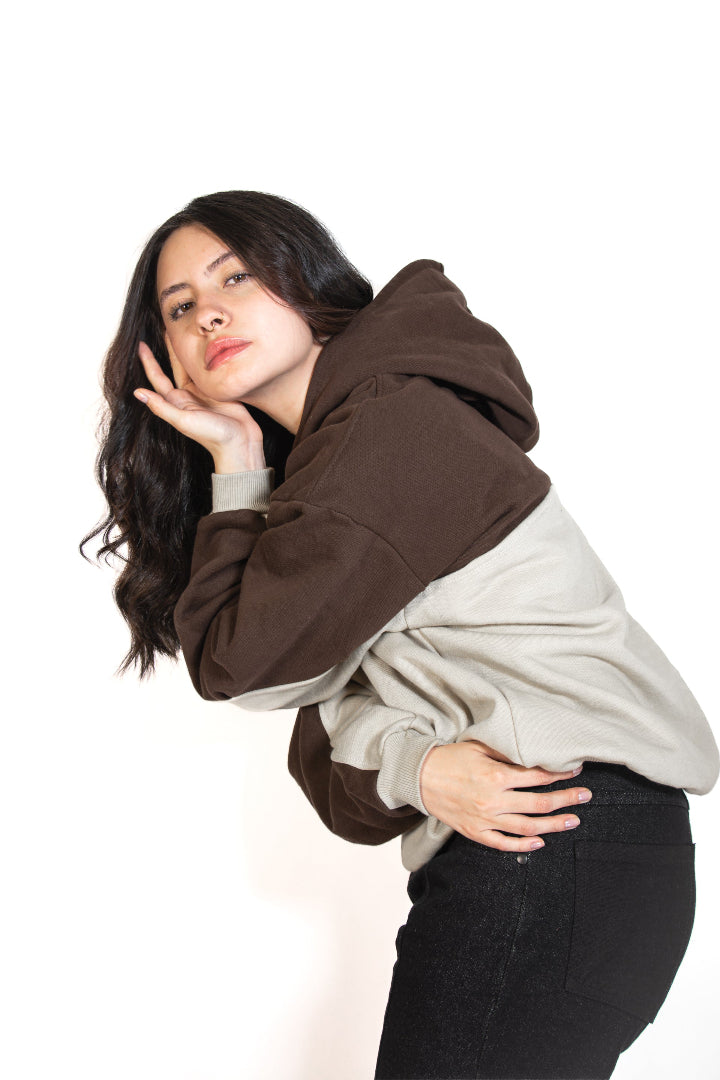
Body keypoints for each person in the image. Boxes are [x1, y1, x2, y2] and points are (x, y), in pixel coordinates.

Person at [82, 189, 719, 1080]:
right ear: (169, 358)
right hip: (551, 855)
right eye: (180, 307)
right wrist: (418, 765)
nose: (209, 313)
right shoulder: (334, 473)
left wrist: (237, 466)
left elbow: (241, 668)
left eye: (236, 277)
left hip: (555, 840)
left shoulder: (388, 430)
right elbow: (324, 761)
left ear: (308, 280)